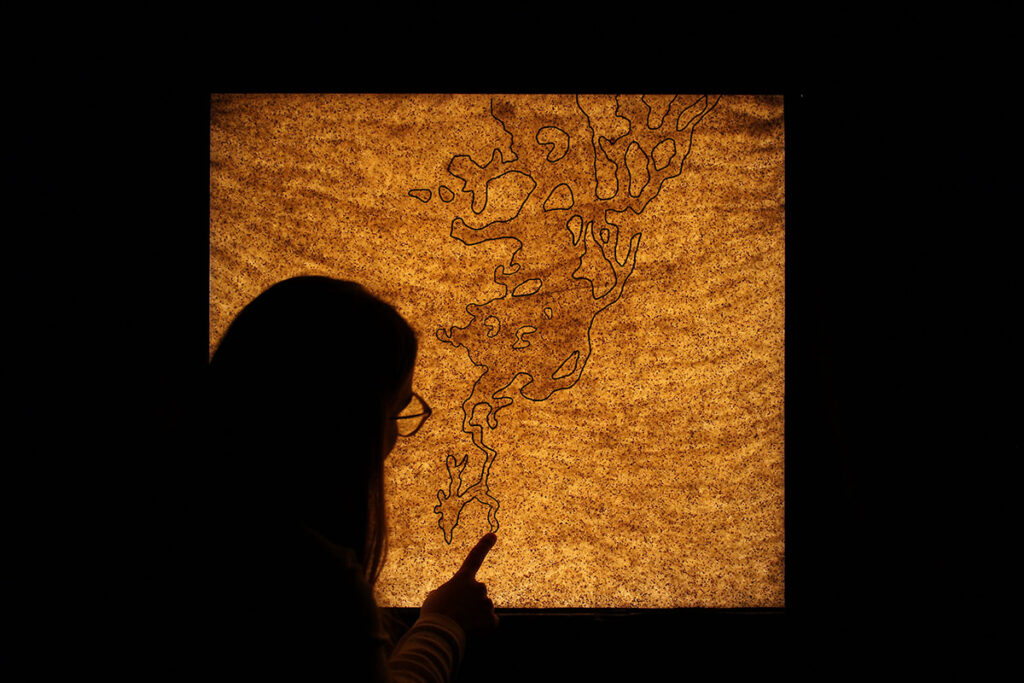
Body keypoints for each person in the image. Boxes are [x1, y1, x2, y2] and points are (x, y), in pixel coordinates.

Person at [208, 275, 498, 680]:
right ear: (348, 426)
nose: (395, 436)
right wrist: (445, 623)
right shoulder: (313, 585)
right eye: (396, 410)